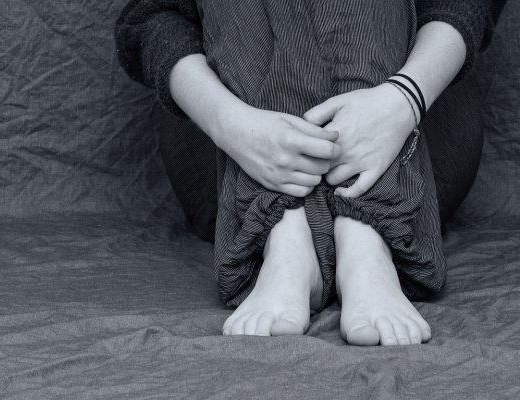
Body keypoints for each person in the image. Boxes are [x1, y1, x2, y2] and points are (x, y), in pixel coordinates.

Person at [116, 0, 502, 345]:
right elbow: (153, 16)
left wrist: (404, 99)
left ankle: (367, 236)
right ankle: (284, 229)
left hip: (416, 130)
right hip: (226, 144)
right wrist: (232, 124)